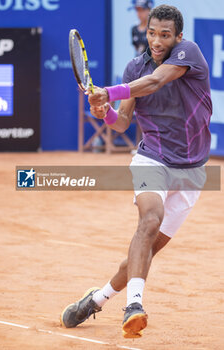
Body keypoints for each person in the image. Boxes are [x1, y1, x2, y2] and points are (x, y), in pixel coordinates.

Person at [60, 4, 212, 339]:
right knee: (149, 220)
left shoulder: (189, 53)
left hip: (192, 169)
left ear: (178, 37)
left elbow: (156, 81)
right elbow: (123, 122)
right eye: (153, 33)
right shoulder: (133, 67)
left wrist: (108, 92)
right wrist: (106, 112)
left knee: (145, 251)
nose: (157, 41)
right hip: (152, 158)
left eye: (165, 35)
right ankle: (134, 306)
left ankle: (97, 299)